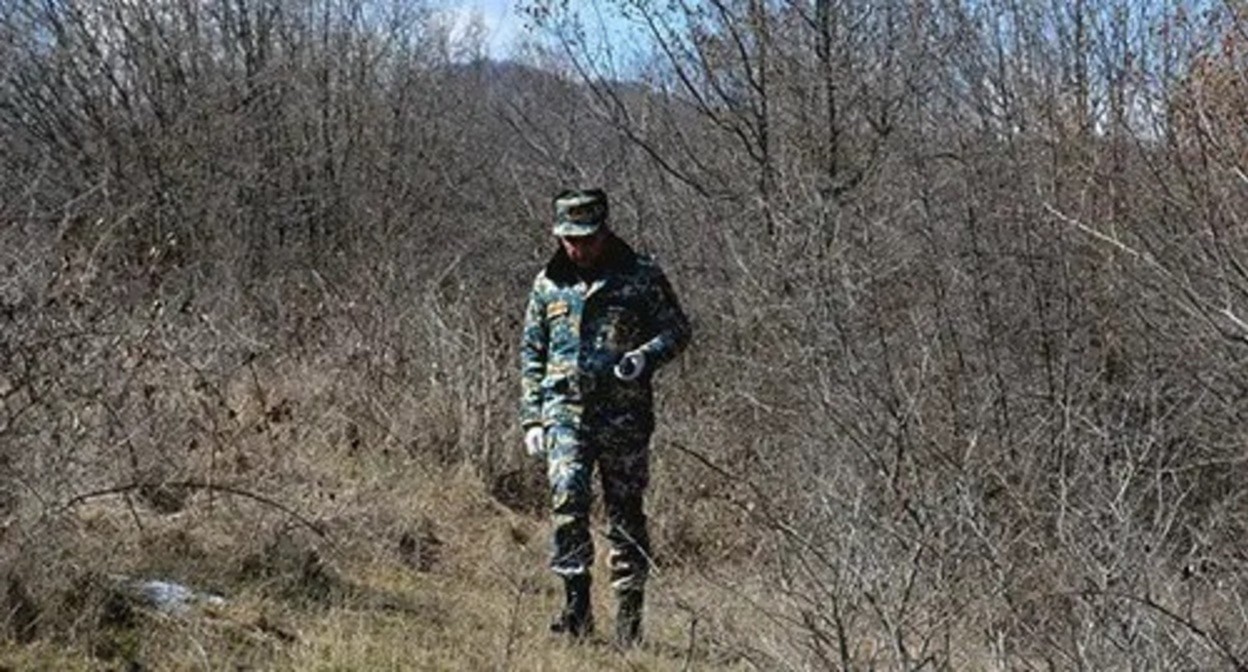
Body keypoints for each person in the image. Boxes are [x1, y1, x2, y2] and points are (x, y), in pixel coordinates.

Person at [519, 188, 692, 647]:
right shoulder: (548, 283)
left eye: (586, 239)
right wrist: (532, 419)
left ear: (604, 232)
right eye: (569, 239)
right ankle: (576, 609)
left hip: (624, 417)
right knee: (567, 500)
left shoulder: (639, 276)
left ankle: (629, 620)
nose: (578, 249)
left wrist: (645, 356)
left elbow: (677, 329)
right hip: (565, 412)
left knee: (625, 514)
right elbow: (532, 352)